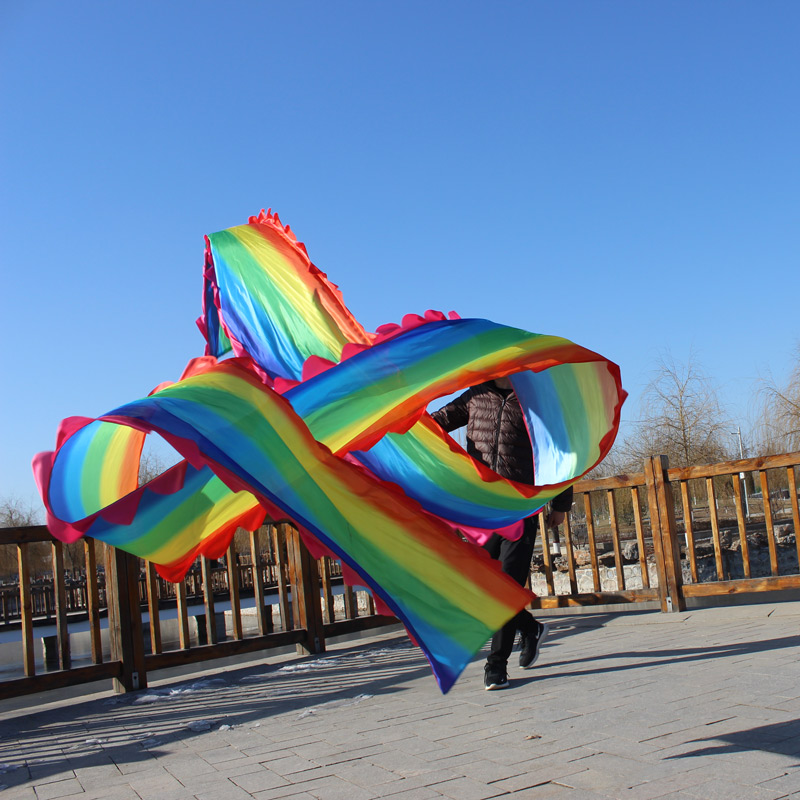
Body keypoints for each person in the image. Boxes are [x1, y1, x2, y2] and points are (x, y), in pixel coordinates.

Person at [431, 376, 573, 690]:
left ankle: (496, 665)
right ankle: (529, 627)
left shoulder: (534, 401)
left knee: (506, 586)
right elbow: (434, 424)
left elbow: (559, 451)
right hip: (480, 510)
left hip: (519, 509)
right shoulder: (475, 396)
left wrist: (561, 503)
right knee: (479, 586)